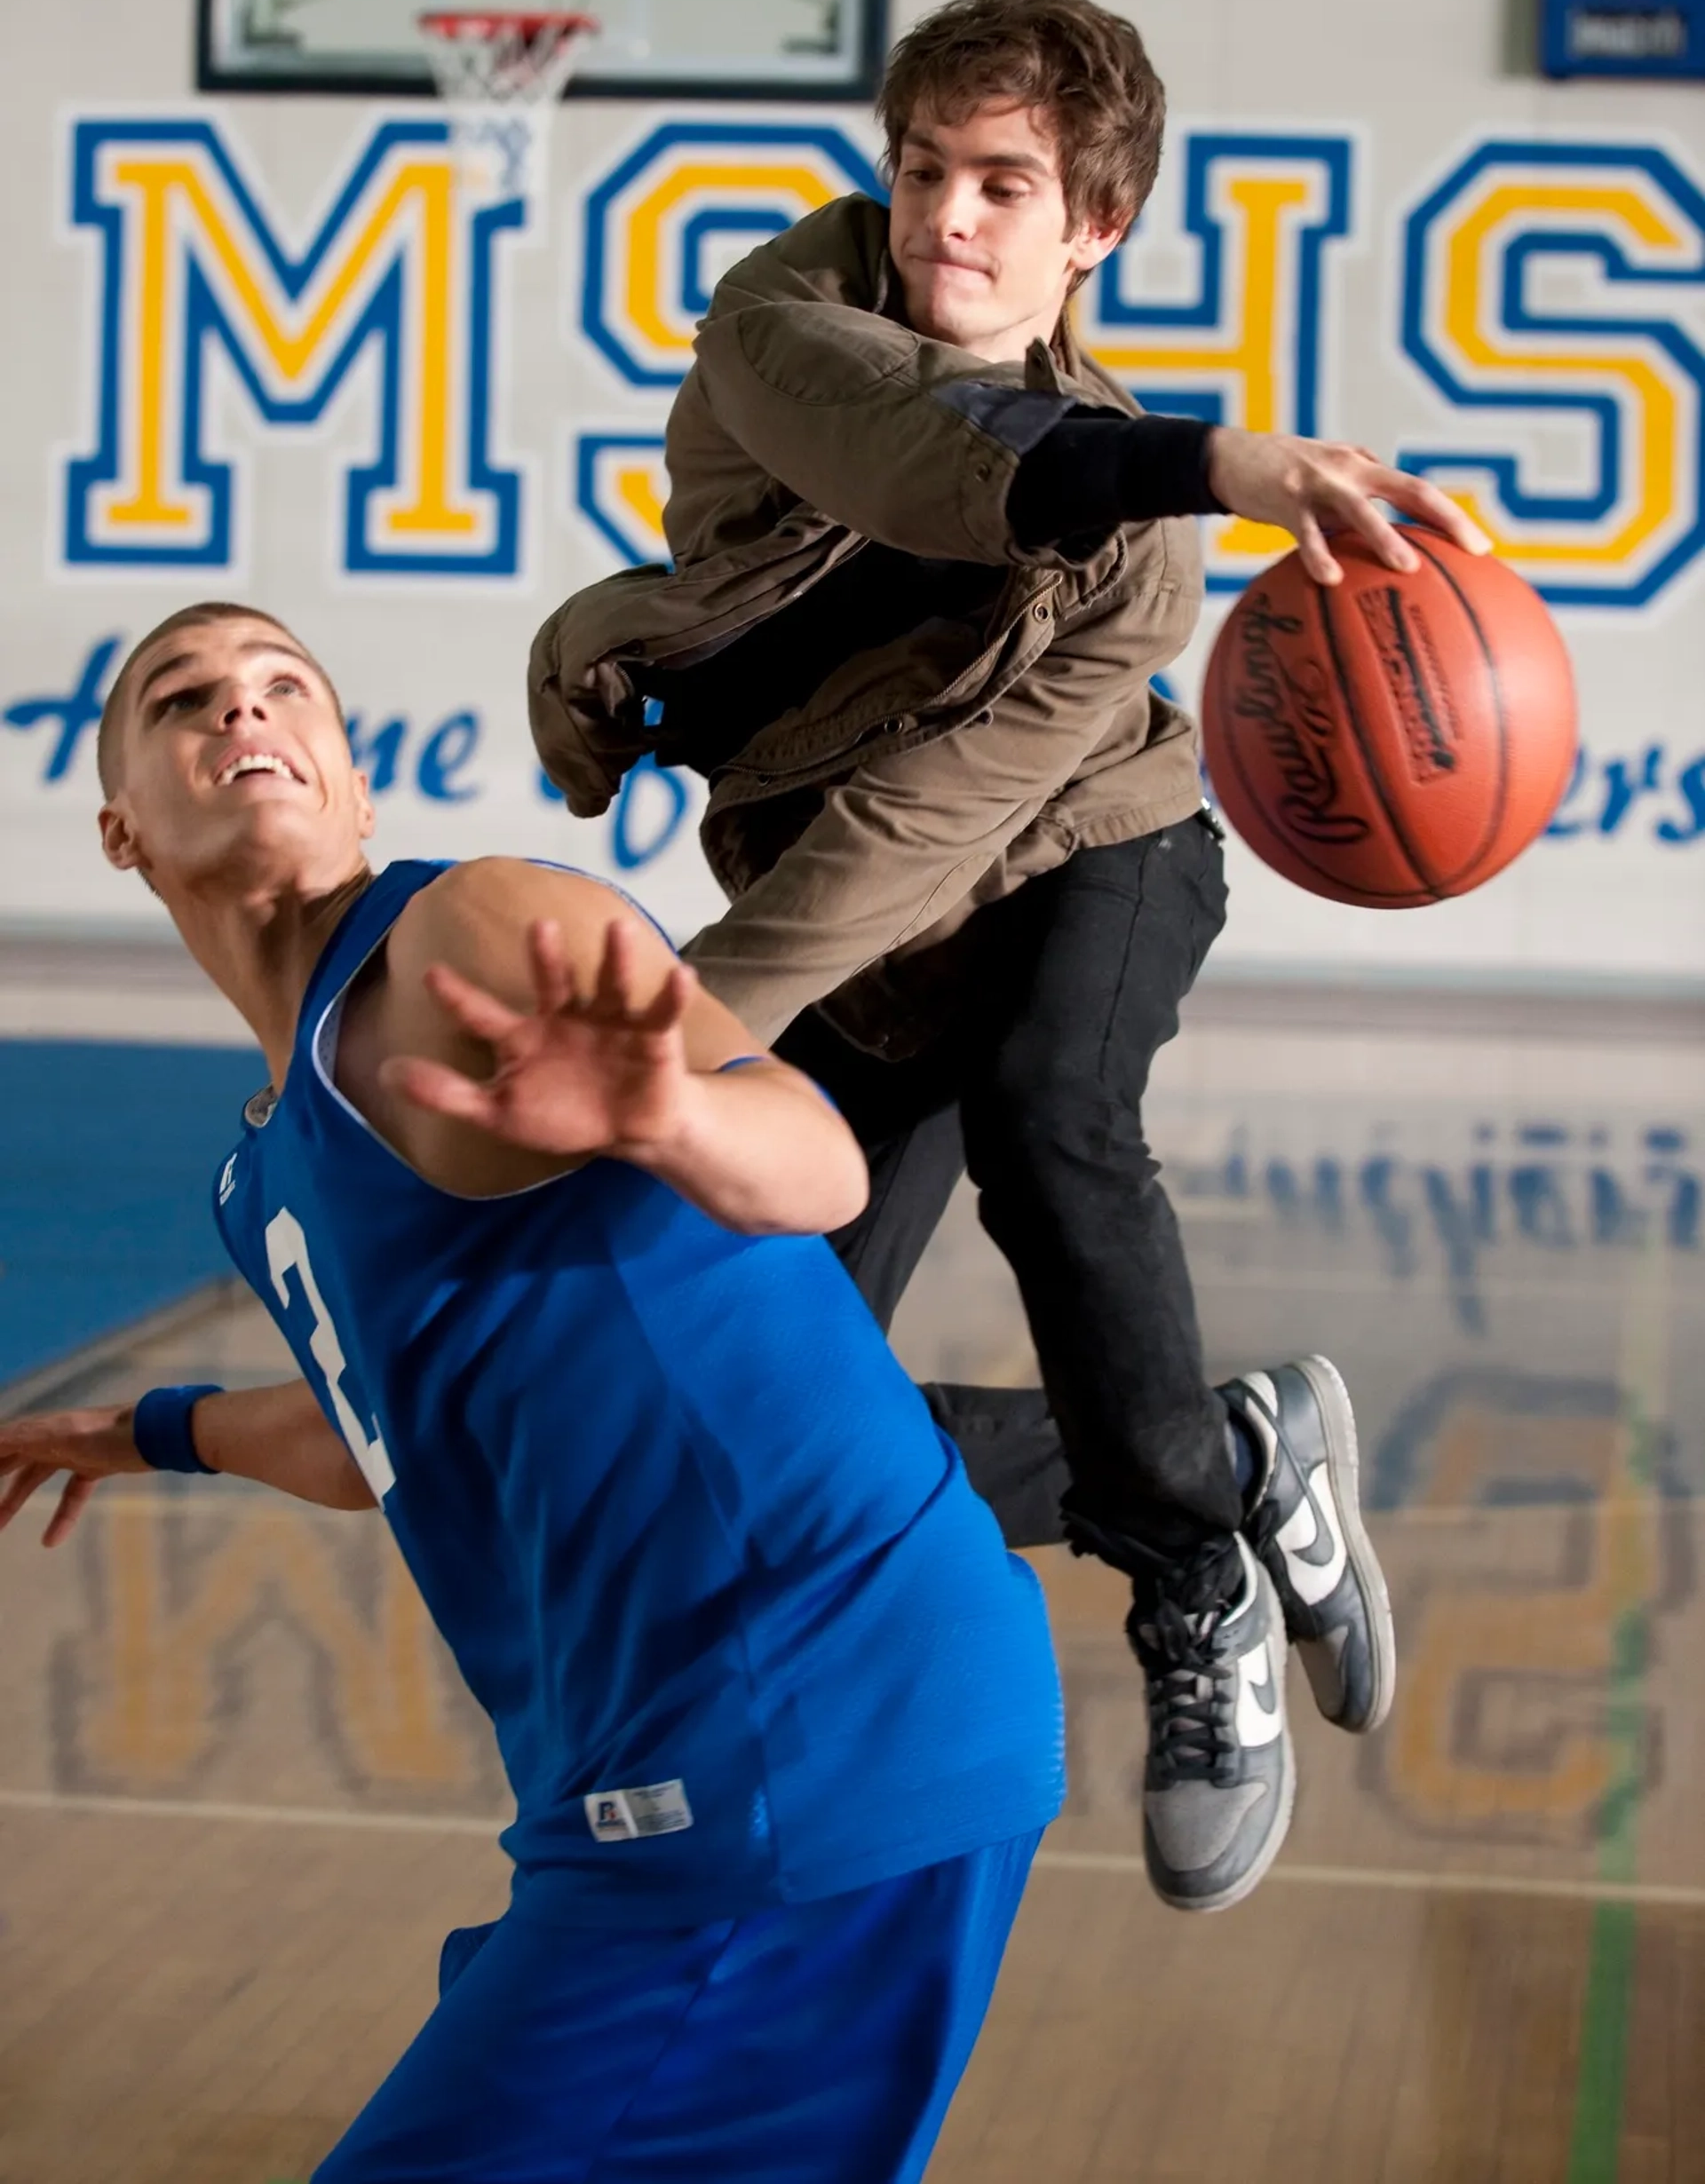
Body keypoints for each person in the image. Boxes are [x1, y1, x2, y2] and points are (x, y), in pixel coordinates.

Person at [530, 0, 1489, 1909]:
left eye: (1002, 183)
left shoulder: (1143, 541)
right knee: (768, 1402)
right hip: (865, 930)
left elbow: (931, 822)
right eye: (921, 170)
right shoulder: (783, 324)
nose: (947, 219)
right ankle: (1222, 1448)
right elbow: (925, 461)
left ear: (1095, 228)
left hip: (1089, 859)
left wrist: (686, 1030)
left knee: (1058, 1119)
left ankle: (1197, 1591)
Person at [0, 604, 1065, 2184]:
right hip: (685, 1776)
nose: (246, 711)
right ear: (122, 828)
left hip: (802, 1733)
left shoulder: (467, 932)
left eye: (288, 685)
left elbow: (821, 1164)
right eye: (187, 700)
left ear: (358, 790)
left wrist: (674, 1121)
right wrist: (147, 1431)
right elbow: (376, 1438)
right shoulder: (265, 1159)